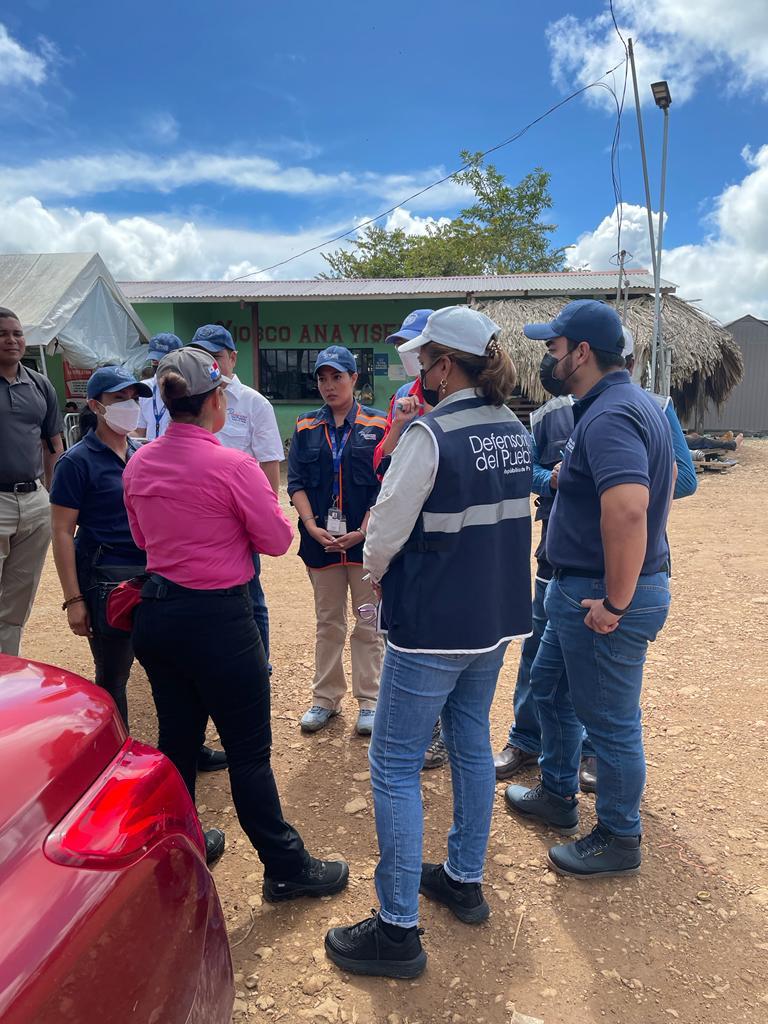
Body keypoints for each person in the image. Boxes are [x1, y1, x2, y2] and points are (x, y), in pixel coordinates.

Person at [325, 306, 532, 979]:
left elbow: (384, 530)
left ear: (444, 365)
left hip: (435, 622)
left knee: (392, 763)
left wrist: (376, 580)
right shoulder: (514, 427)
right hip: (496, 618)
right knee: (471, 738)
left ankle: (397, 927)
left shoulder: (430, 432)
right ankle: (464, 878)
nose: (416, 368)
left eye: (422, 358)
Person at [123, 346, 350, 893]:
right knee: (249, 755)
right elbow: (275, 539)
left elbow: (139, 538)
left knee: (177, 739)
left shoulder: (139, 462)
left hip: (158, 616)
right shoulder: (232, 465)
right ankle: (286, 868)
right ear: (215, 400)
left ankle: (184, 846)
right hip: (220, 622)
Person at [504, 299, 674, 879]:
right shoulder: (627, 405)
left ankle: (619, 836)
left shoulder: (608, 416)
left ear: (581, 352)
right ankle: (557, 793)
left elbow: (628, 511)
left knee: (610, 723)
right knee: (550, 692)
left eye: (553, 347)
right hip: (578, 589)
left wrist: (616, 604)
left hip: (602, 596)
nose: (548, 358)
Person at [287, 345, 386, 736]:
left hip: (364, 543)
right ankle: (325, 699)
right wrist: (311, 526)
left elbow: (386, 484)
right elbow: (294, 483)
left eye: (337, 377)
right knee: (328, 623)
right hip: (322, 543)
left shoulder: (379, 425)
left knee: (368, 624)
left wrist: (363, 529)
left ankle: (370, 701)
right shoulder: (305, 426)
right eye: (322, 378)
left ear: (354, 379)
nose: (329, 386)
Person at [49, 366, 151, 727]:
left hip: (150, 576)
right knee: (114, 675)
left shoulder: (142, 454)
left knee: (170, 666)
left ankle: (187, 750)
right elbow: (62, 532)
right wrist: (74, 601)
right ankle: (115, 754)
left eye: (134, 398)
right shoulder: (76, 462)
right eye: (119, 398)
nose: (130, 405)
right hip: (106, 582)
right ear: (96, 405)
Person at [376, 310, 448, 772]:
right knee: (406, 630)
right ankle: (425, 731)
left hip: (448, 530)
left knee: (445, 632)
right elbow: (381, 459)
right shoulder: (404, 395)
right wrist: (402, 425)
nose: (406, 353)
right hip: (408, 524)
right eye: (400, 344)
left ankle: (443, 732)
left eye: (412, 344)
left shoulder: (460, 398)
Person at [188, 324, 283, 666]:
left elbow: (270, 463)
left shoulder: (254, 403)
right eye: (201, 357)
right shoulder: (192, 400)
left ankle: (260, 662)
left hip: (238, 517)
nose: (210, 364)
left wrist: (264, 518)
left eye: (215, 356)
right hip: (198, 516)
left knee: (250, 594)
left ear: (232, 358)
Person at [0, 306, 63, 655]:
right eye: (2, 334)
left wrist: (52, 500)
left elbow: (53, 443)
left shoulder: (39, 384)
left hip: (34, 501)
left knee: (19, 595)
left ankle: (5, 671)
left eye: (17, 333)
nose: (12, 340)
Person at [134, 333, 184, 440]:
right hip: (151, 452)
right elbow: (139, 432)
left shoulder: (187, 389)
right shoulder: (144, 388)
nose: (157, 365)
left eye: (162, 361)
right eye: (154, 361)